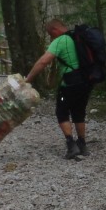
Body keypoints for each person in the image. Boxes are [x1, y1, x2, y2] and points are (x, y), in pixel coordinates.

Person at [24, 18, 92, 160]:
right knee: (79, 112)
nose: (51, 37)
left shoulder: (60, 41)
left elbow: (43, 61)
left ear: (55, 29)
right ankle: (82, 145)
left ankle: (71, 145)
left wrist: (28, 79)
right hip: (86, 81)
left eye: (50, 34)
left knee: (61, 112)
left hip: (69, 83)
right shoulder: (78, 37)